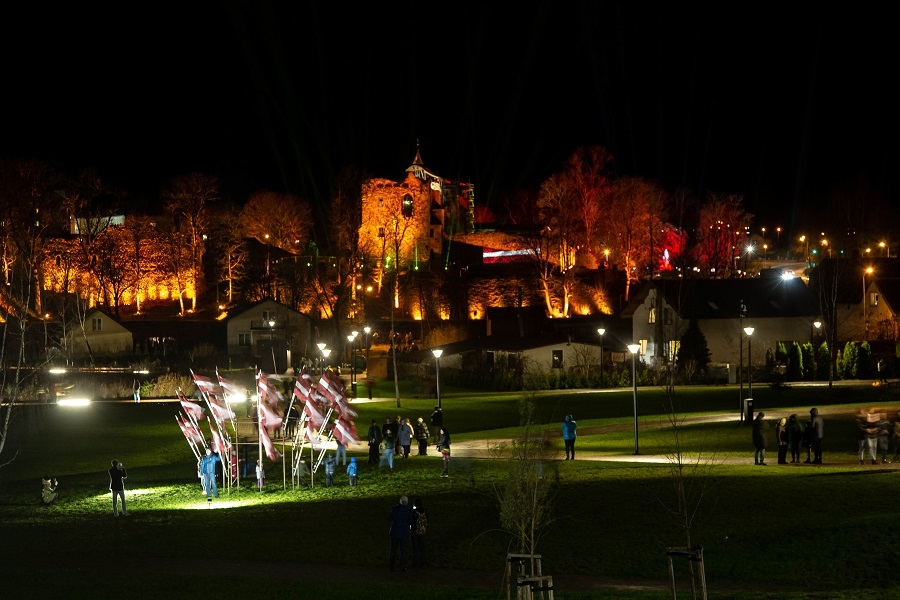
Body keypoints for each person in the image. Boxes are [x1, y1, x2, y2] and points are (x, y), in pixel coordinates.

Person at [388, 495, 415, 571]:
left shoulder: (394, 509)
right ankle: (402, 565)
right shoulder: (408, 511)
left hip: (395, 532)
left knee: (393, 549)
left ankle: (392, 565)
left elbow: (390, 517)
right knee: (403, 550)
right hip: (404, 533)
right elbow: (411, 521)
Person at [411, 498, 427, 568]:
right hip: (422, 530)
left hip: (415, 530)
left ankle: (416, 563)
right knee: (422, 547)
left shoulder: (414, 512)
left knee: (415, 548)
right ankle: (423, 563)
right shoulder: (423, 511)